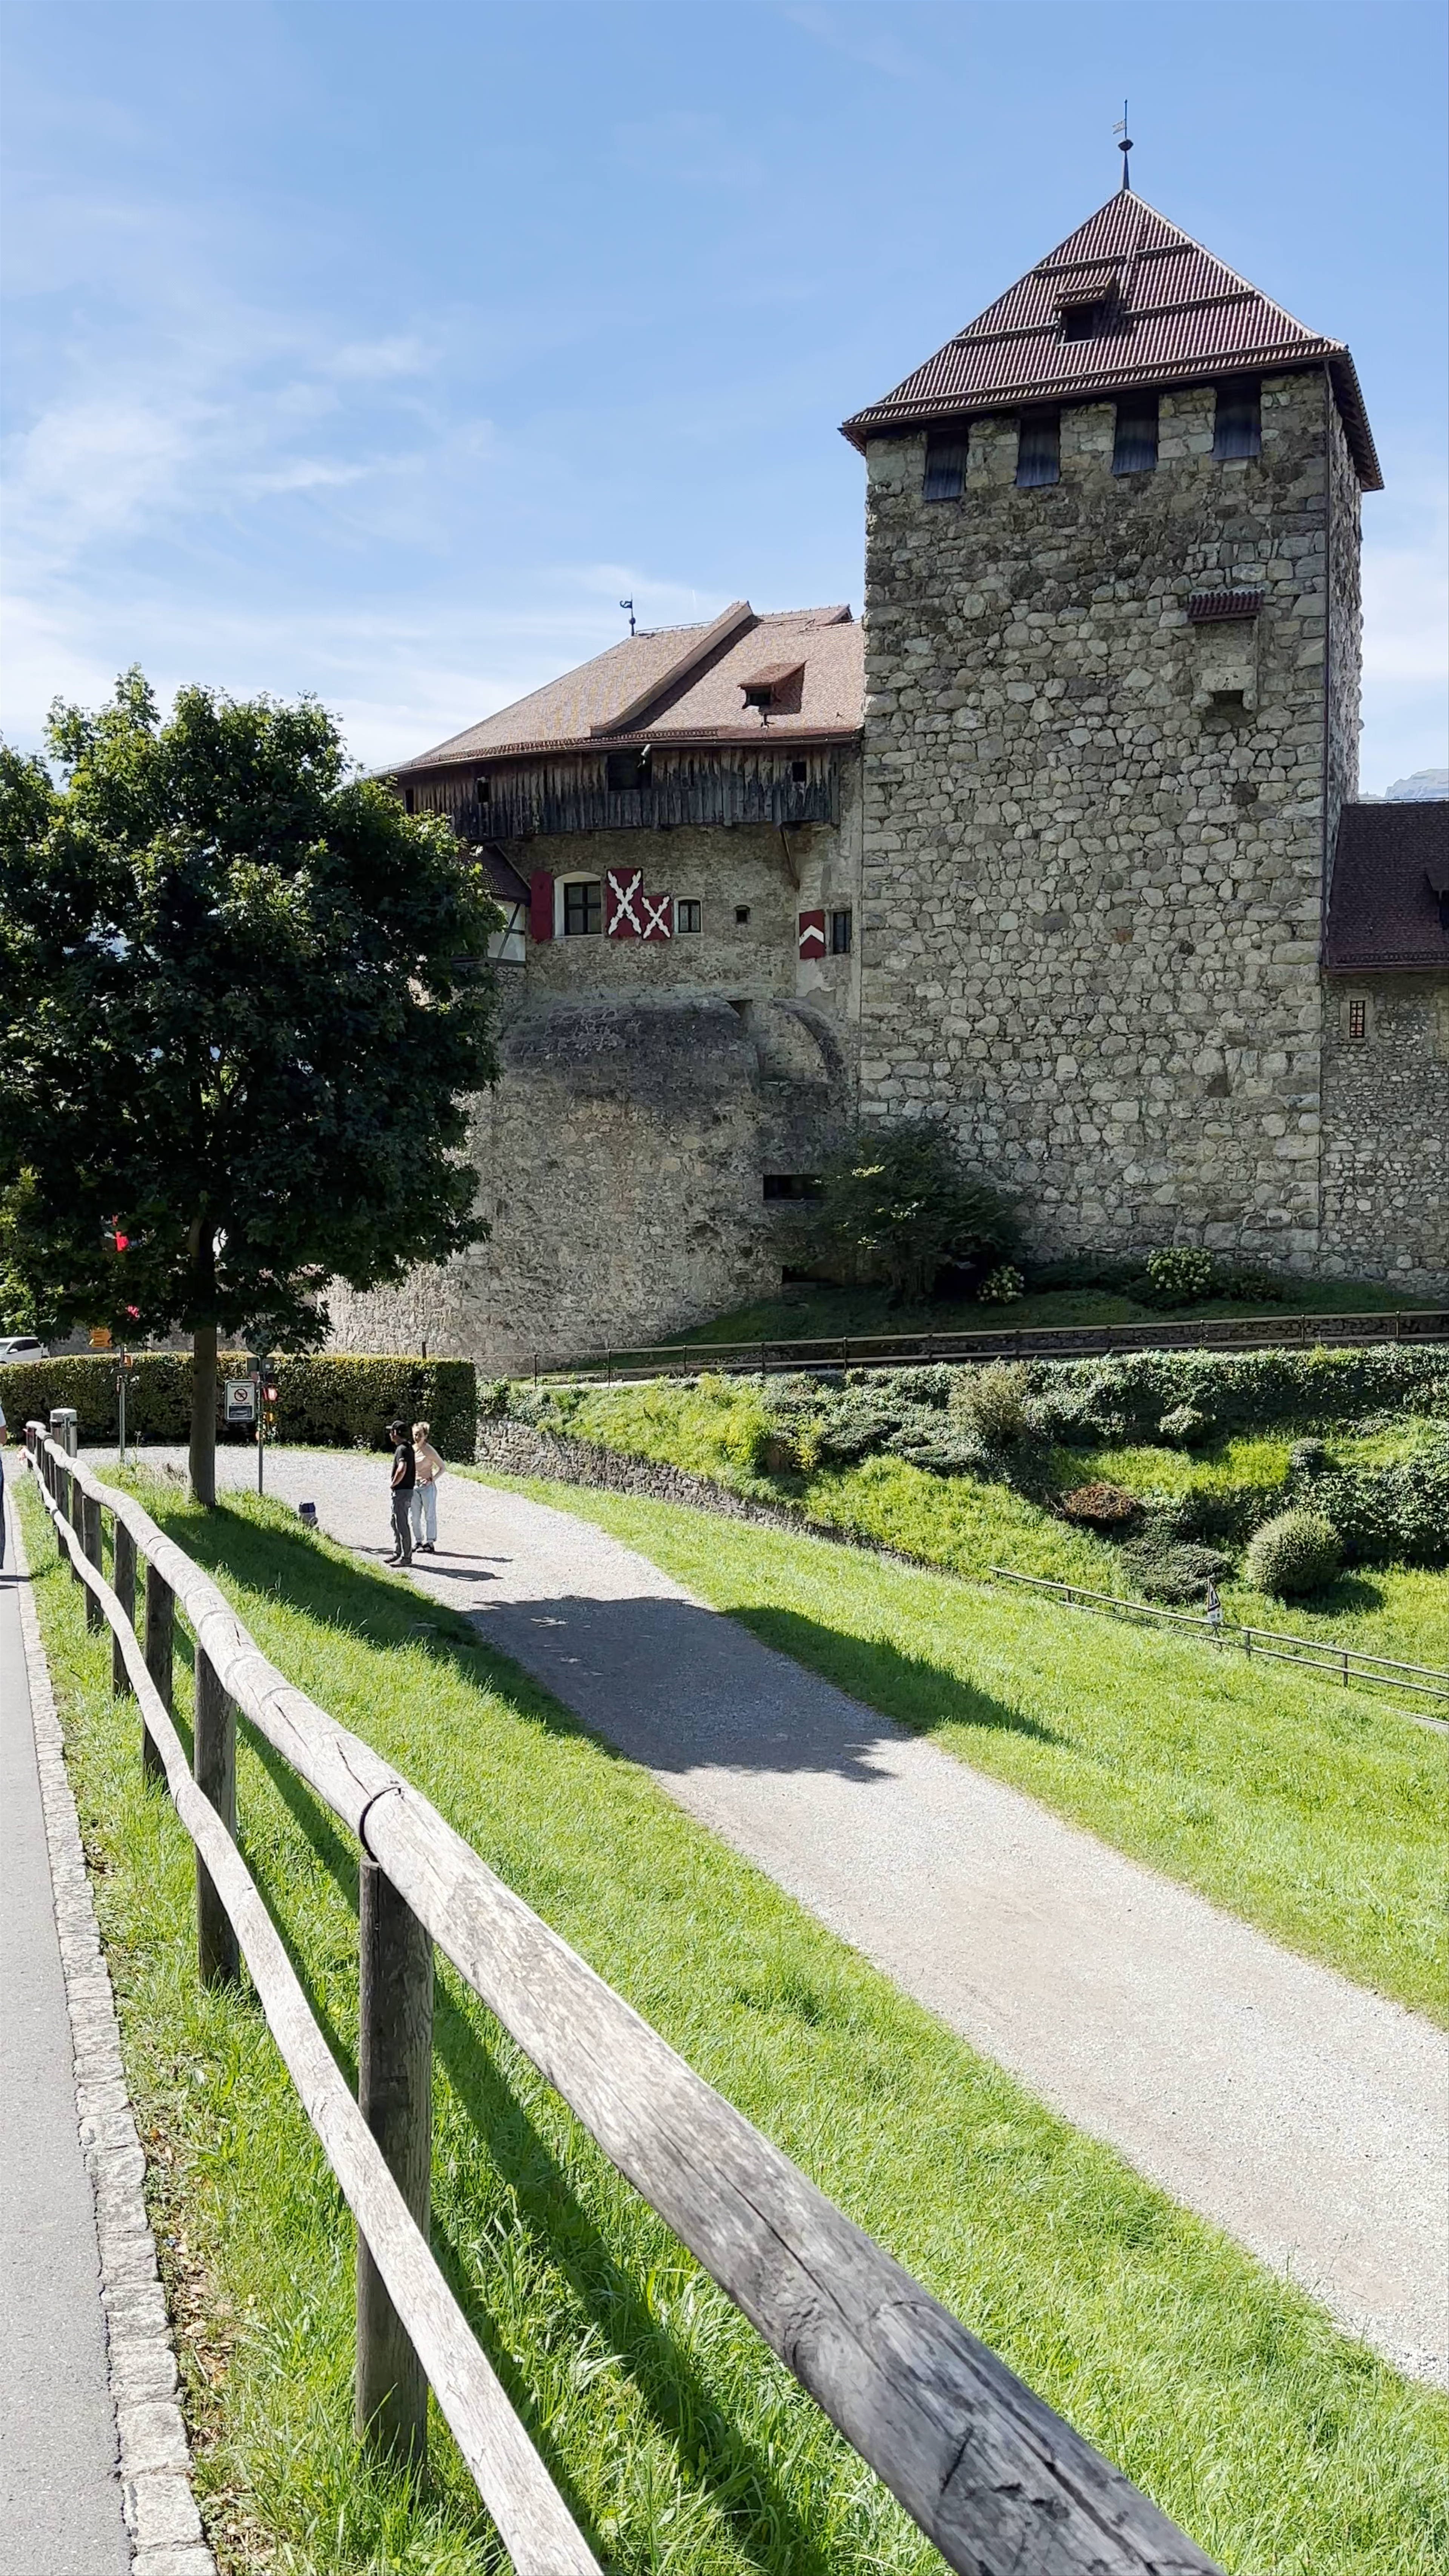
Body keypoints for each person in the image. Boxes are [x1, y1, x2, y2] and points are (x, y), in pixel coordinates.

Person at [409, 1420, 444, 1555]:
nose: (417, 1437)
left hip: (427, 1488)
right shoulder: (412, 1449)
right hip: (414, 1487)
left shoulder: (429, 1450)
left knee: (430, 1515)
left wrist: (432, 1479)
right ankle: (418, 1541)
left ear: (425, 1436)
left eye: (419, 1435)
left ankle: (430, 1543)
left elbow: (442, 1467)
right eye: (415, 1435)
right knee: (414, 1517)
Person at [385, 1418, 415, 1566]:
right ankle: (398, 1552)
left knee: (402, 1524)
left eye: (392, 1431)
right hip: (406, 1491)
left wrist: (393, 1483)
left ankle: (407, 1557)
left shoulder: (402, 1449)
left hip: (402, 1492)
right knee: (395, 1522)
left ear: (396, 1433)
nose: (390, 1434)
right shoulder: (408, 1447)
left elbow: (402, 1468)